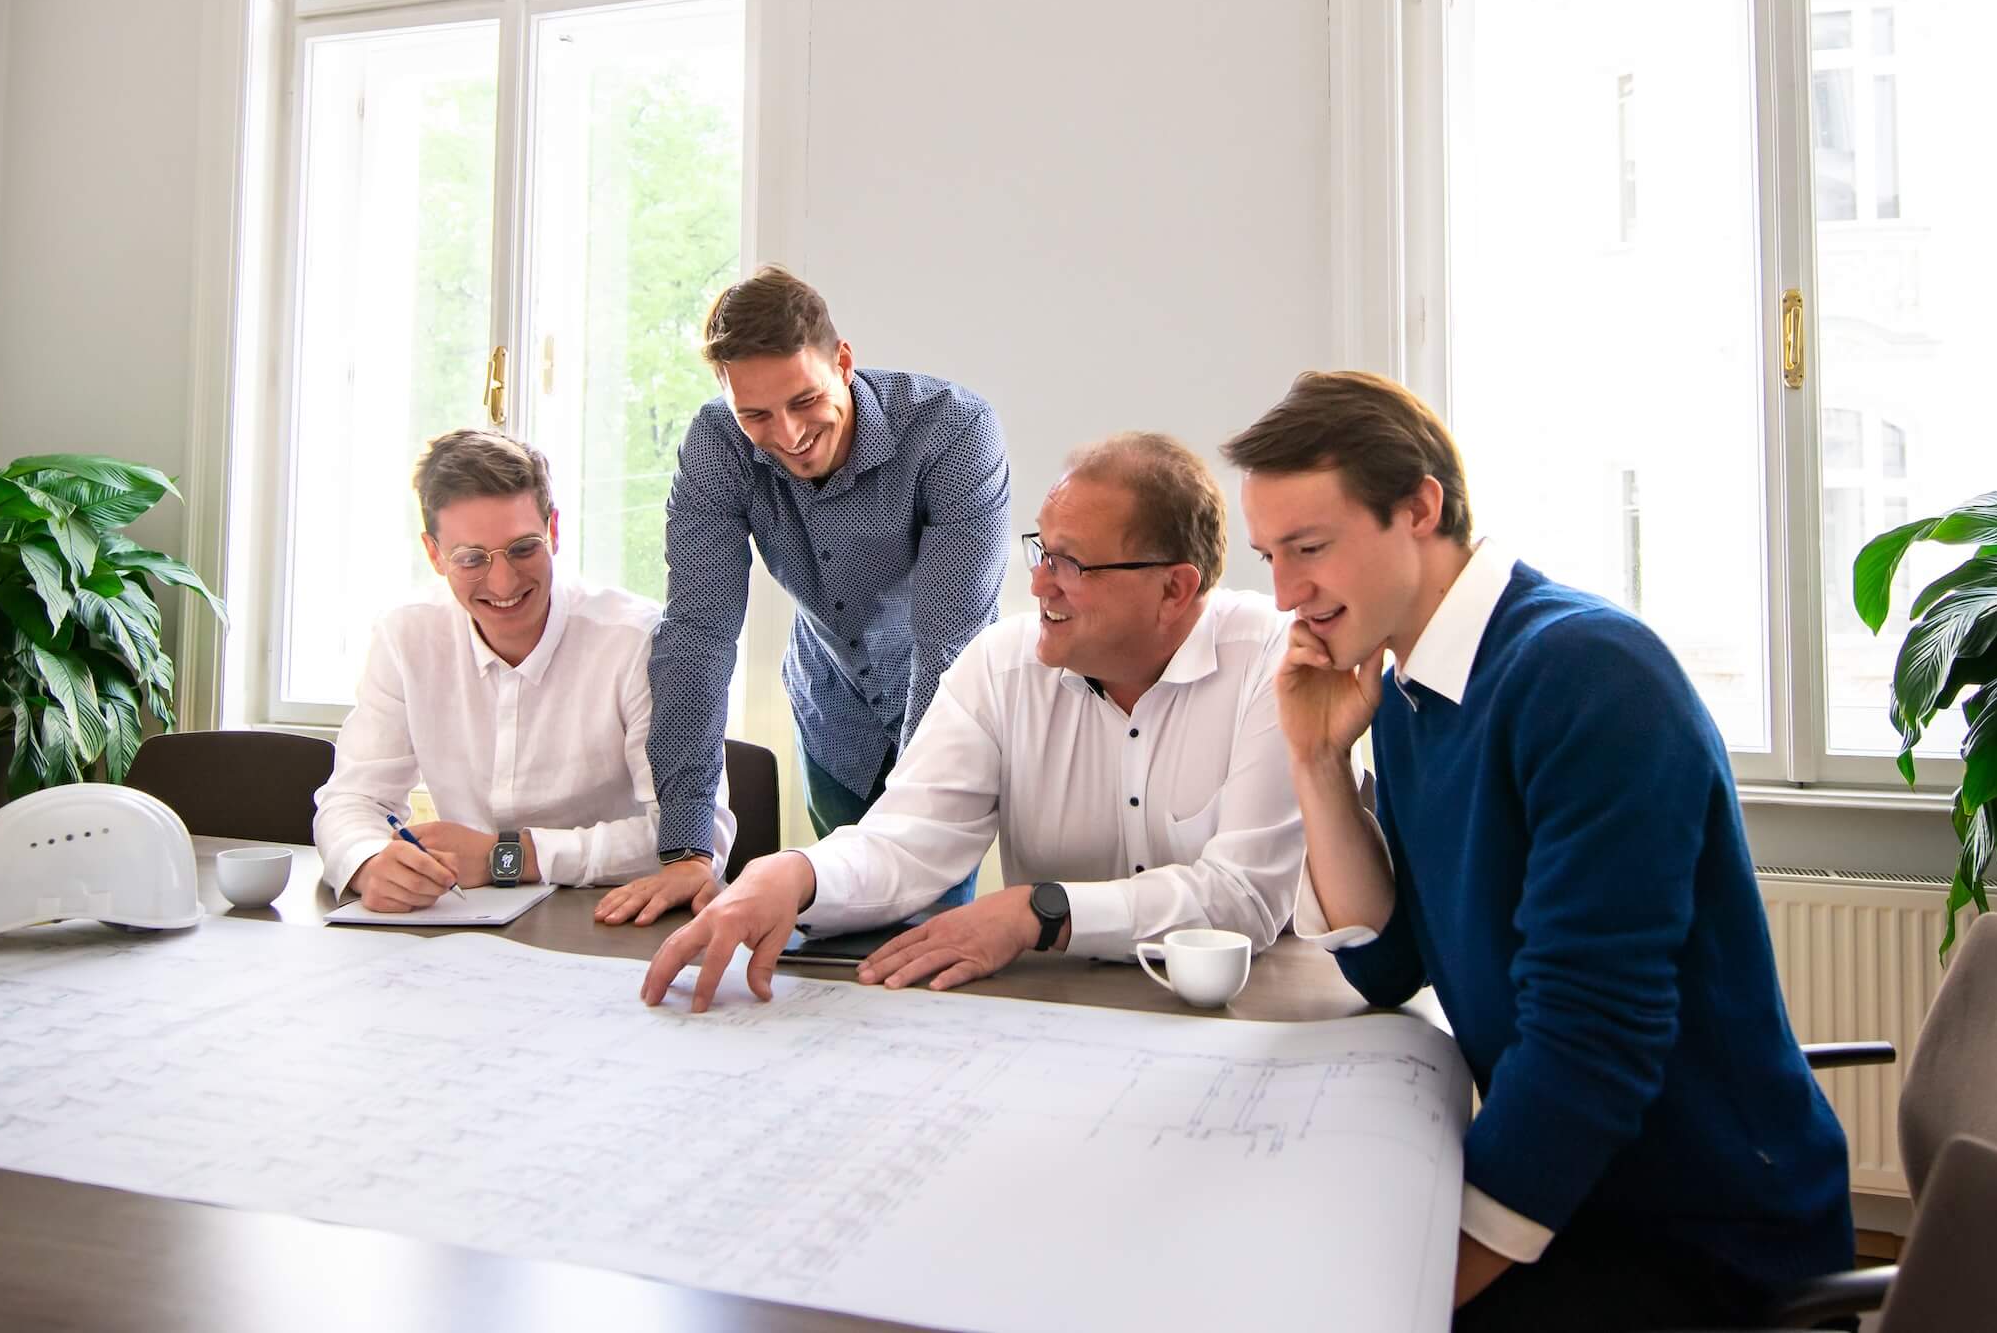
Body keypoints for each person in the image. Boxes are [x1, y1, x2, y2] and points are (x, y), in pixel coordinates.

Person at [1223, 372, 1851, 1331]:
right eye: (1271, 556)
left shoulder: (1587, 674)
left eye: (1309, 548)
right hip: (1583, 1187)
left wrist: (1416, 1291)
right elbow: (1387, 962)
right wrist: (1316, 759)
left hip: (1696, 1233)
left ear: (1420, 507)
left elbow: (1590, 1044)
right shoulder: (1410, 688)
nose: (1284, 593)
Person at [639, 434, 1302, 1011]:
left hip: (1248, 1017)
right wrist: (795, 874)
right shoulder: (1001, 662)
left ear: (1174, 589)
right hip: (1055, 1011)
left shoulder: (1271, 659)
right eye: (1042, 550)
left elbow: (1242, 894)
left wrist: (1041, 912)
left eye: (1071, 563)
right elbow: (911, 836)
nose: (1040, 584)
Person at [597, 266, 1010, 927]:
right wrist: (685, 847)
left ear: (843, 361)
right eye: (755, 413)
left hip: (946, 706)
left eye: (803, 400)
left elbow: (947, 645)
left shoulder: (955, 431)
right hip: (833, 716)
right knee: (839, 932)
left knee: (923, 937)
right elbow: (698, 636)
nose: (787, 434)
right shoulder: (715, 445)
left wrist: (901, 840)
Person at [314, 430, 733, 909]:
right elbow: (352, 800)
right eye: (471, 558)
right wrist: (368, 861)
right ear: (434, 554)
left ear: (553, 530)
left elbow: (698, 840)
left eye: (523, 548)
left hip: (610, 920)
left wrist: (506, 857)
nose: (503, 581)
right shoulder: (405, 637)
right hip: (462, 922)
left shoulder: (637, 642)